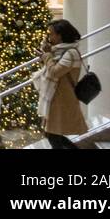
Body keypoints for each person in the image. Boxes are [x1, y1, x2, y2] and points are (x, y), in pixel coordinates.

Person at [35, 19, 88, 148]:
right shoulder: (58, 51)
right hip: (55, 97)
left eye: (51, 33)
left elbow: (55, 72)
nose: (49, 37)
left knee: (53, 134)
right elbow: (50, 69)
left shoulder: (71, 53)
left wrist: (47, 56)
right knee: (52, 134)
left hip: (63, 99)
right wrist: (46, 55)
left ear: (60, 35)